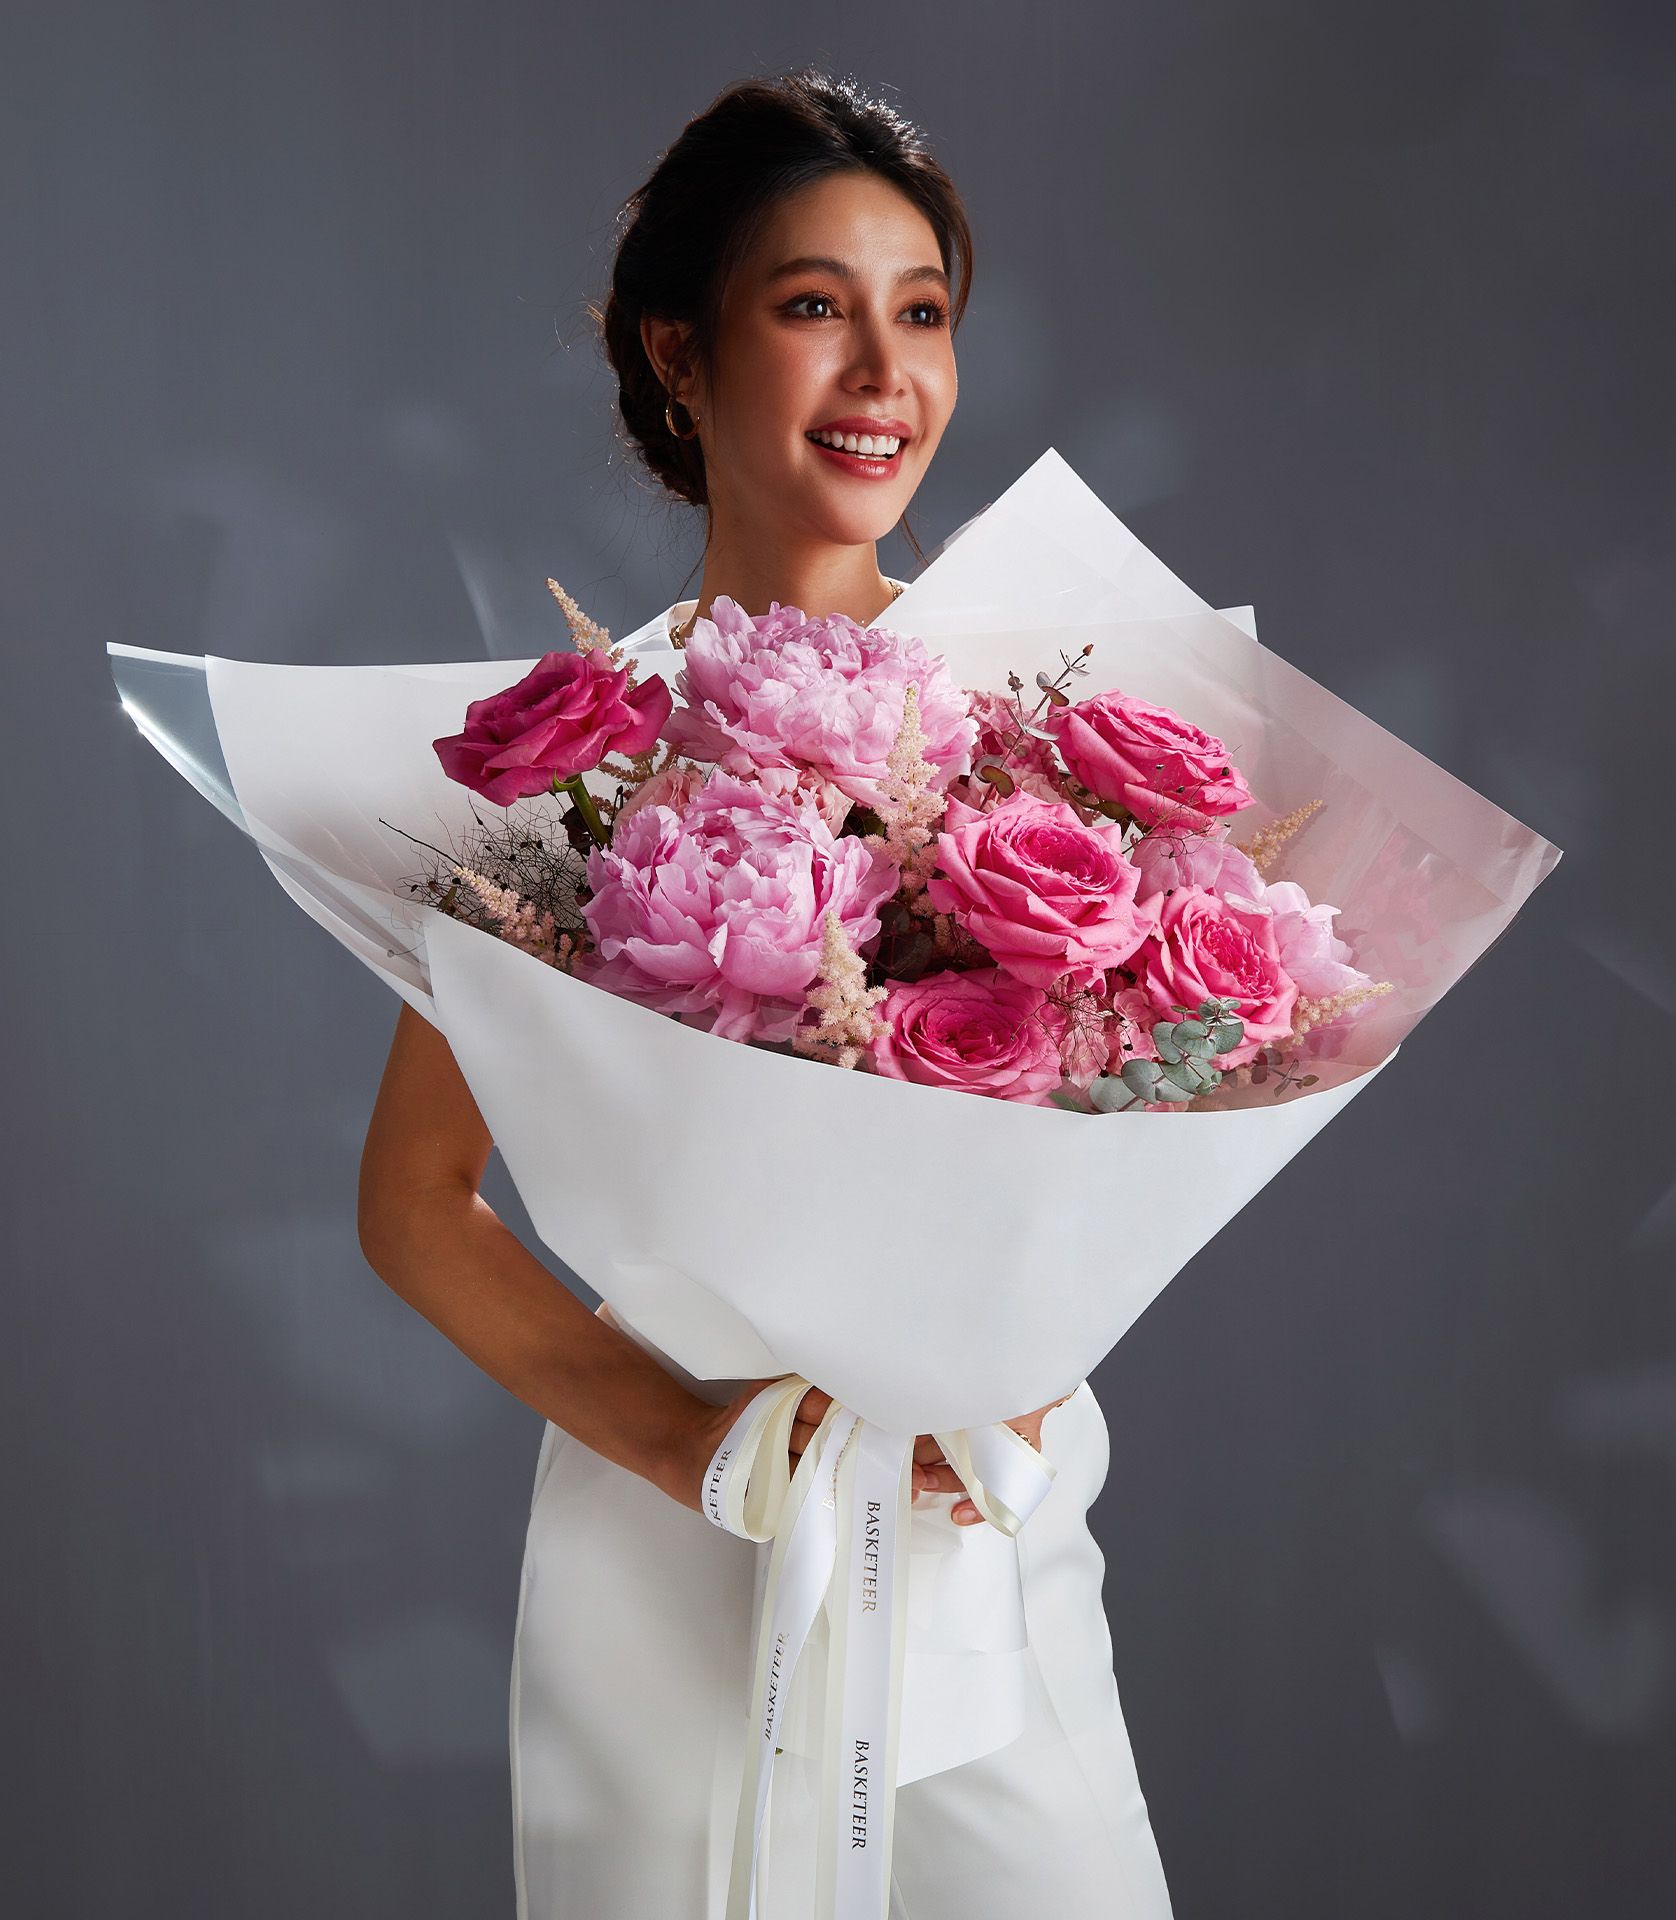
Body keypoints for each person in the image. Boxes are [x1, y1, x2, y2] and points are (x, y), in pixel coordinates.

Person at [357, 66, 1174, 1920]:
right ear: (679, 353)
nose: (884, 373)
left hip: (979, 1520)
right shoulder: (570, 768)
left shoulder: (1056, 733)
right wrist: (689, 1442)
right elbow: (412, 1202)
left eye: (923, 313)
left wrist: (1020, 1373)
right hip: (682, 1537)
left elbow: (1129, 1120)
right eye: (815, 307)